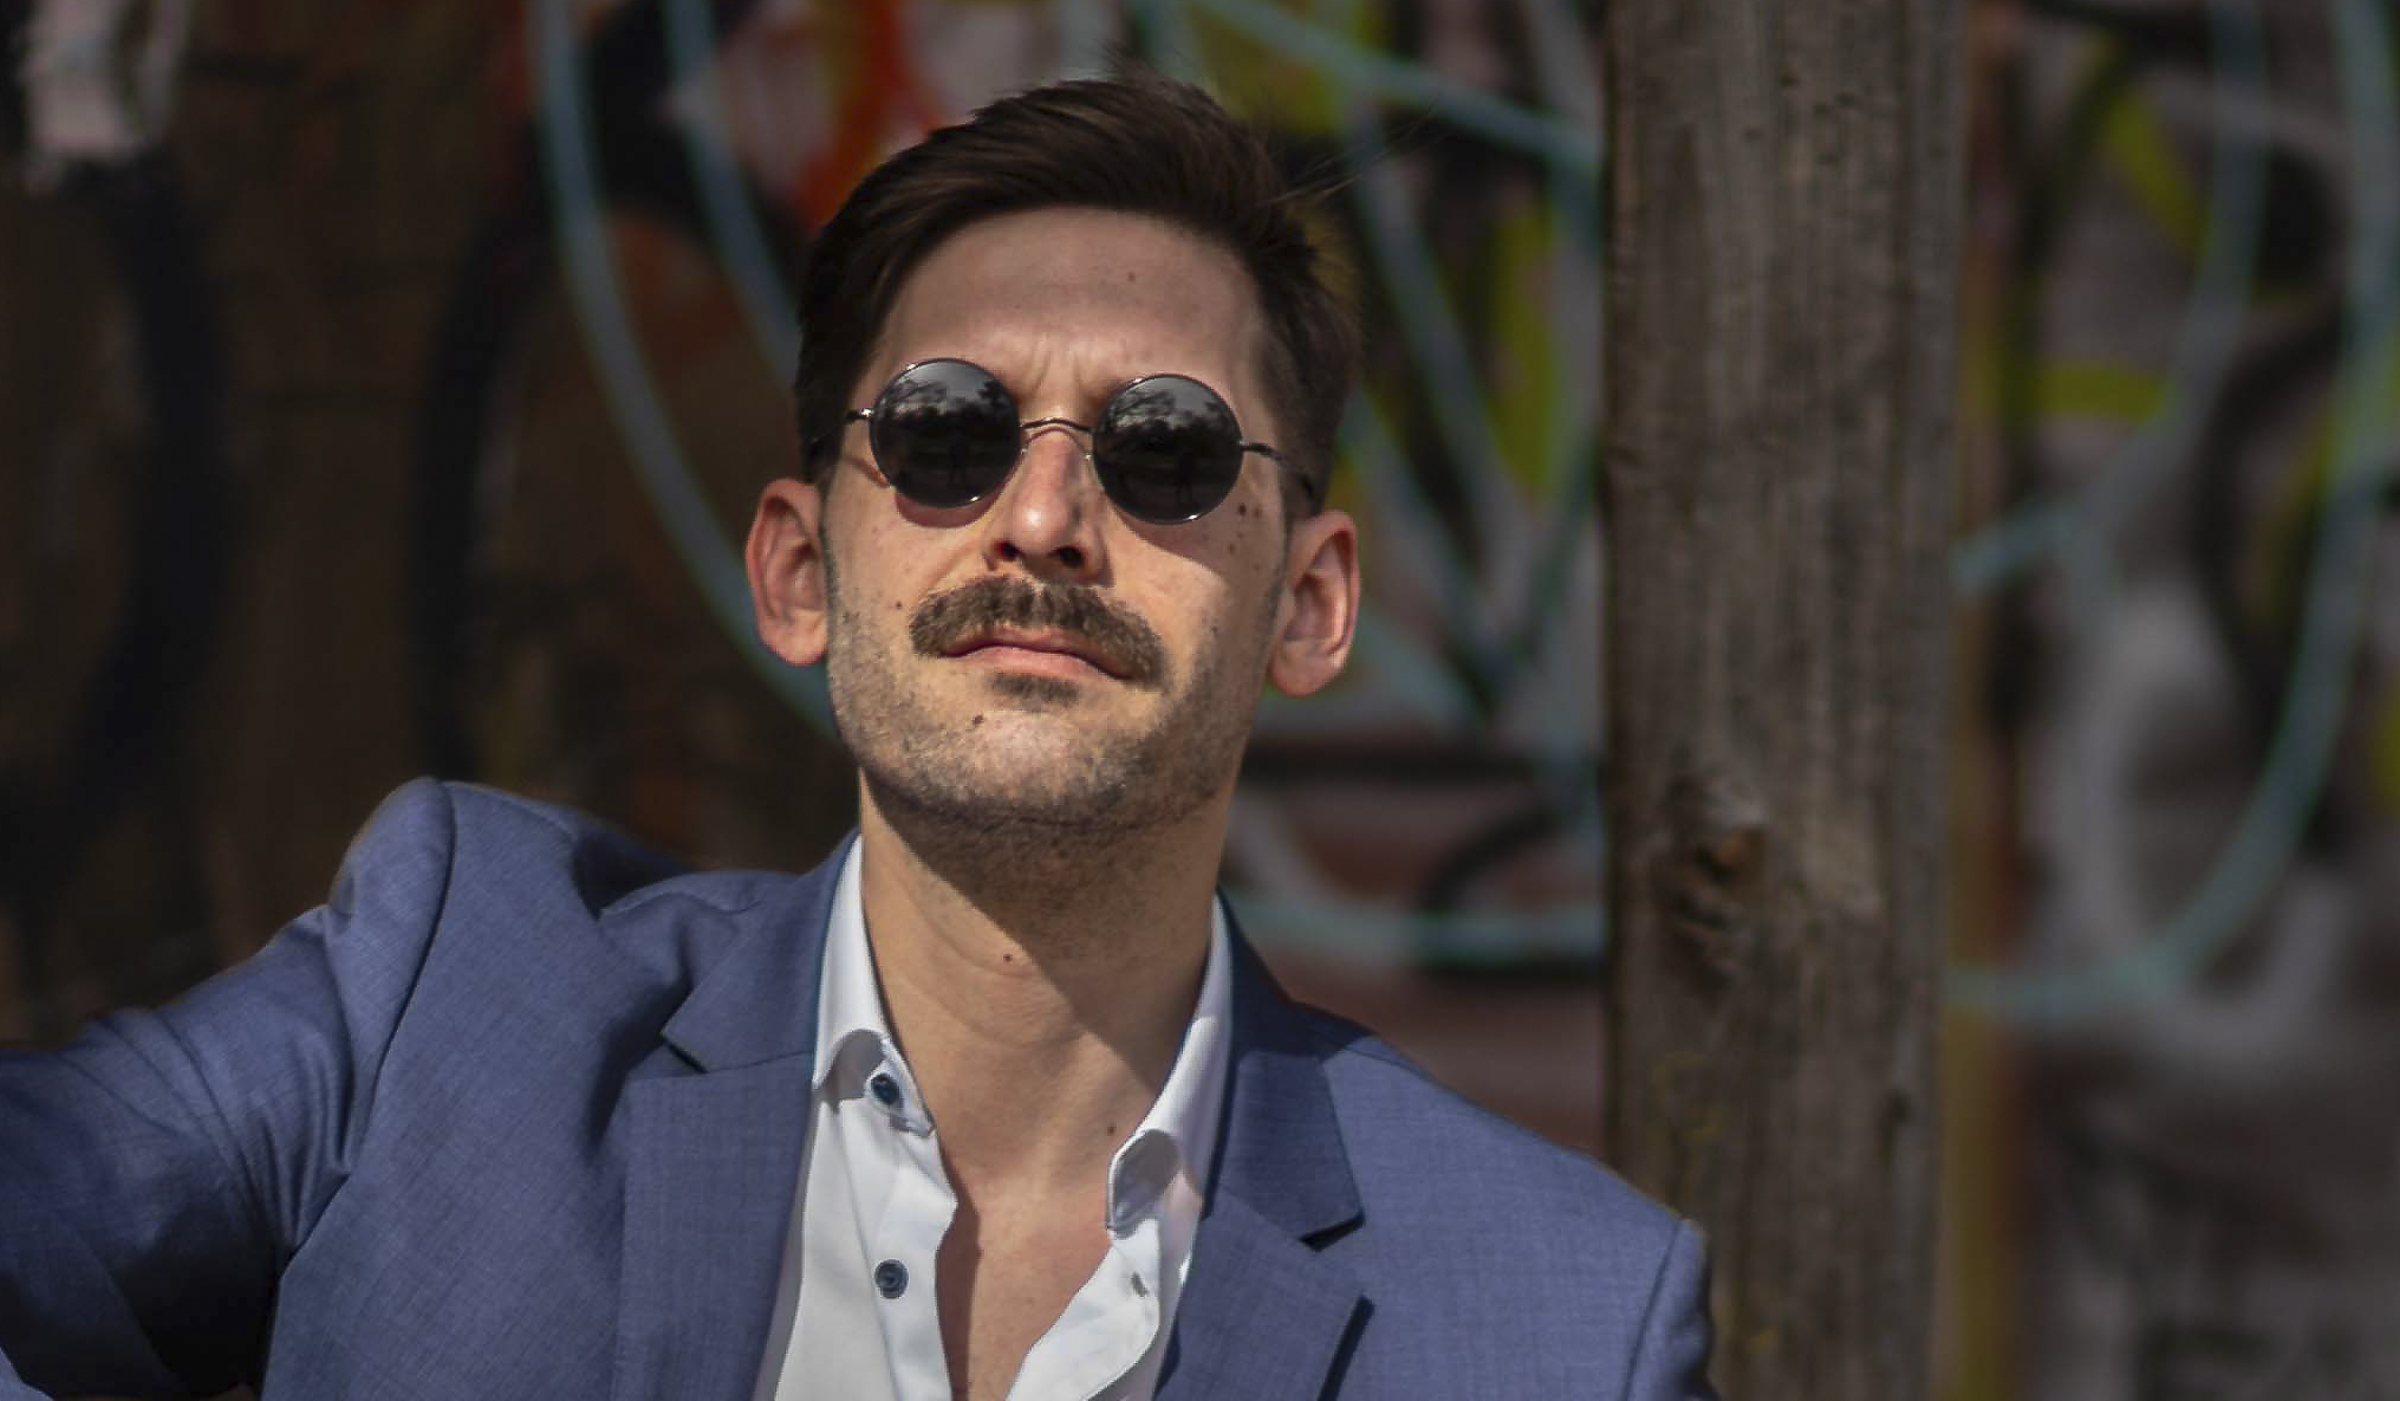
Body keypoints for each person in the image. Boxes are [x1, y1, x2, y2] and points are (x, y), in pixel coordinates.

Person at [0, 74, 1714, 1400]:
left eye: (1166, 449)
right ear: (800, 571)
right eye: (950, 432)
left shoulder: (1567, 1325)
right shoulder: (447, 997)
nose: (1043, 517)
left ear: (1312, 604)